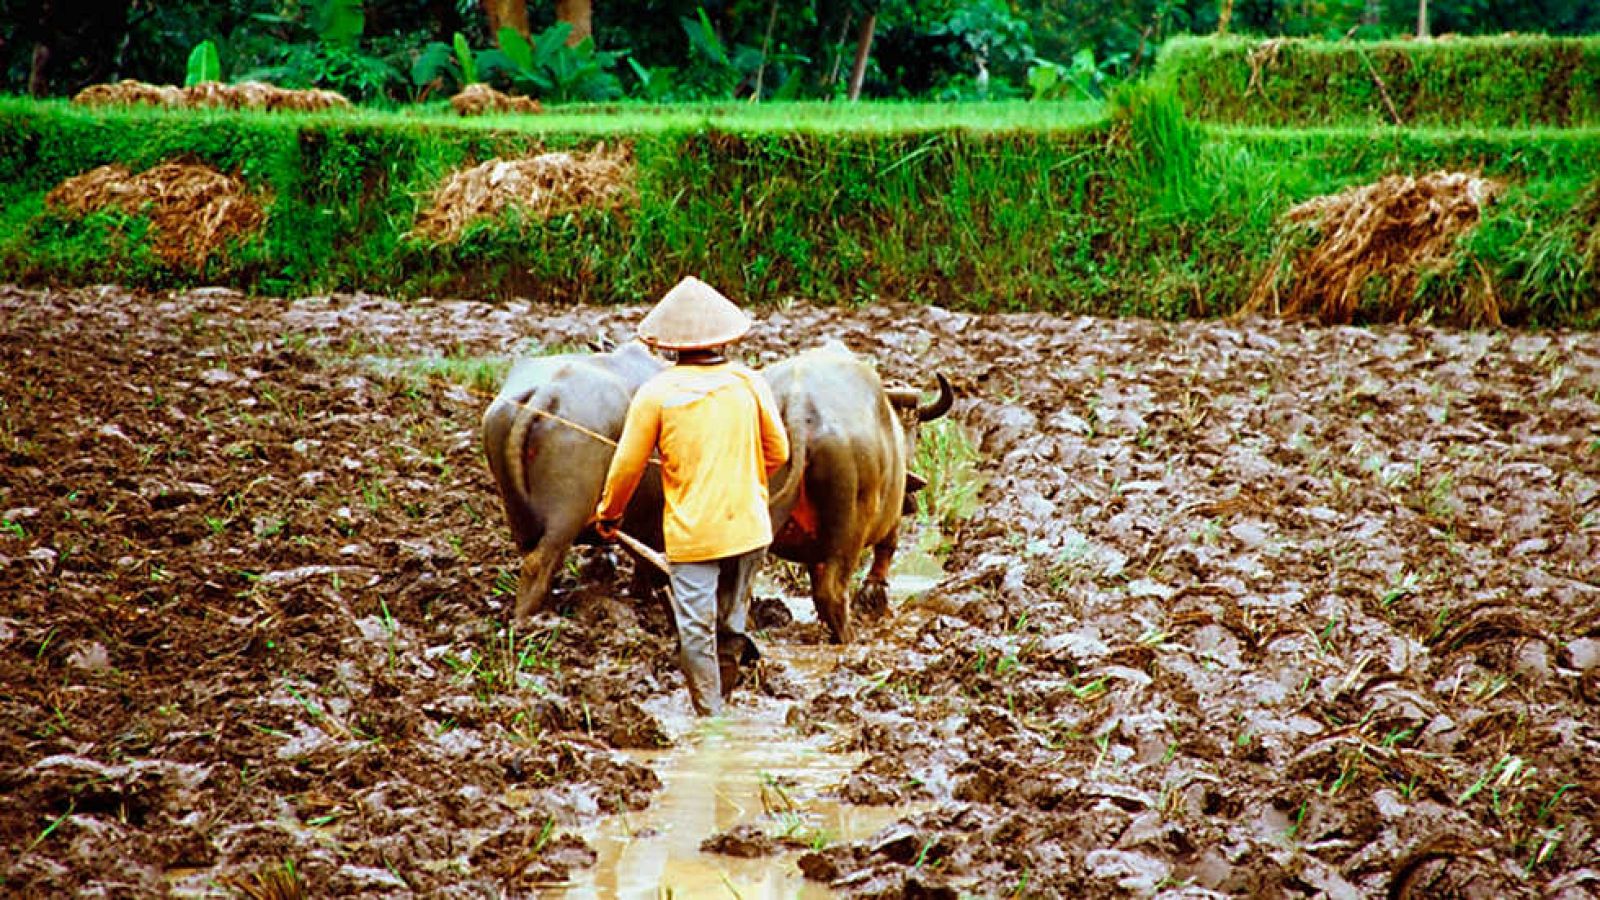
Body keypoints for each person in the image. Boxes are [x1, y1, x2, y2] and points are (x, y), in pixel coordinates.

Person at [594, 276, 790, 716]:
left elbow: (627, 467)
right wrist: (743, 481)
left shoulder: (656, 393)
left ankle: (710, 718)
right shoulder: (749, 381)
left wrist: (609, 513)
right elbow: (779, 451)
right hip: (749, 527)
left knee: (696, 632)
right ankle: (724, 700)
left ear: (669, 345)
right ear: (724, 338)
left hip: (693, 535)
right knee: (732, 622)